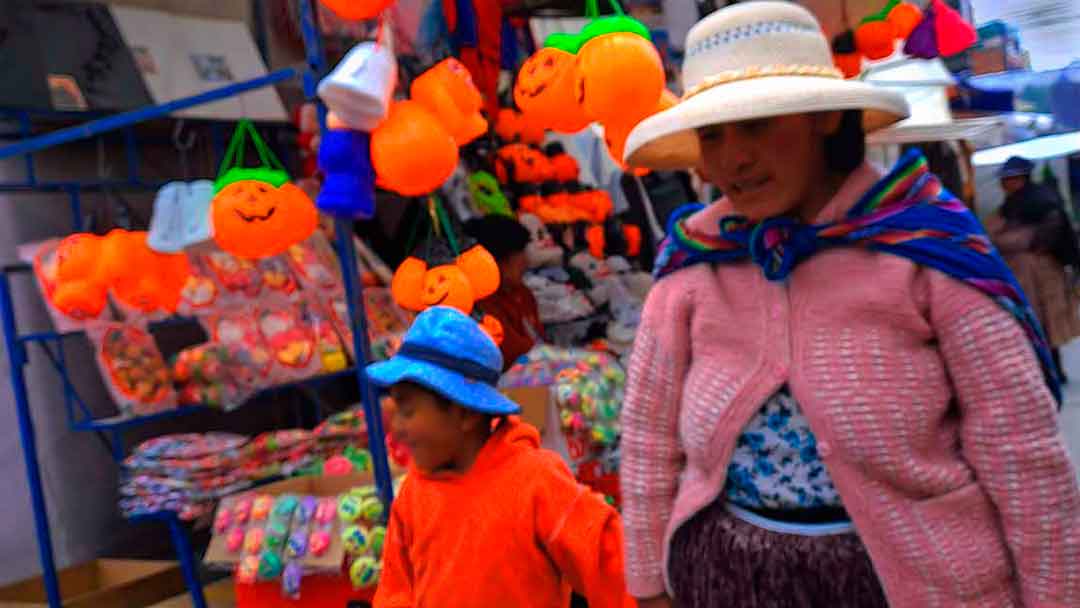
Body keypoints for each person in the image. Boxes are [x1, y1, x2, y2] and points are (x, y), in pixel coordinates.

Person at [618, 3, 1080, 608]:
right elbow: (649, 443)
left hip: (928, 585)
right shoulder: (692, 267)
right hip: (728, 586)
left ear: (825, 117)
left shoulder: (928, 249)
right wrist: (649, 587)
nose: (733, 159)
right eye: (713, 135)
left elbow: (1024, 461)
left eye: (757, 125)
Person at [367, 306, 633, 608]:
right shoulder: (414, 495)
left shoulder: (536, 481)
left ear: (464, 412)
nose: (396, 428)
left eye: (408, 410)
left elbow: (614, 570)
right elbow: (395, 592)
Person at [986, 155, 1080, 381]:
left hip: (1042, 272)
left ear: (1021, 179)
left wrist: (1018, 241)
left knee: (1043, 322)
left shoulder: (1041, 202)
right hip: (1026, 272)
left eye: (1008, 179)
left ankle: (1053, 371)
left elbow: (1045, 235)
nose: (1003, 184)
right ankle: (1049, 370)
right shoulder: (1012, 205)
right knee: (1035, 322)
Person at [464, 215, 545, 369]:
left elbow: (538, 339)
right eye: (519, 255)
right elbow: (513, 352)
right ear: (497, 261)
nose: (525, 262)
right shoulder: (482, 306)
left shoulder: (523, 293)